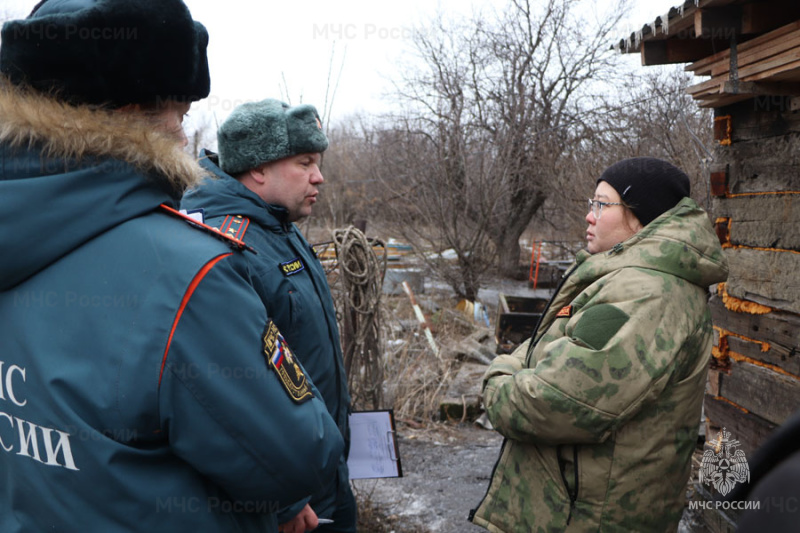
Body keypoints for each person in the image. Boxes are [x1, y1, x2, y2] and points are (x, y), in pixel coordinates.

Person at [0, 2, 343, 532]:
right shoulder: (187, 274)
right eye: (179, 116)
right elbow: (299, 454)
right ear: (131, 112)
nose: (185, 138)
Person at [469, 157, 729, 532]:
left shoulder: (647, 295)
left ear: (640, 217)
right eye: (591, 205)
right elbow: (545, 348)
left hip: (591, 518)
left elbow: (554, 402)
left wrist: (497, 378)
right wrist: (521, 363)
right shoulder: (620, 281)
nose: (589, 217)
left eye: (602, 205)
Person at [181, 99, 355, 533]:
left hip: (321, 475)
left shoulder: (281, 228)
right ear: (258, 169)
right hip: (286, 500)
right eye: (305, 162)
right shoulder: (223, 246)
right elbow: (220, 393)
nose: (320, 176)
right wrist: (281, 499)